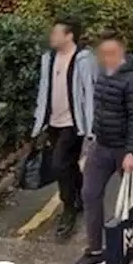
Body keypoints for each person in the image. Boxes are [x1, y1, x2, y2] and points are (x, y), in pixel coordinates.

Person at [65, 30, 133, 264]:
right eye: (104, 53)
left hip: (125, 148)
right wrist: (89, 144)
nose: (108, 58)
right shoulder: (102, 72)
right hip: (101, 146)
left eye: (113, 53)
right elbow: (98, 110)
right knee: (90, 193)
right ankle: (94, 252)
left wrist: (132, 152)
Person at [30, 17, 97, 243]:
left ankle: (68, 209)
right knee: (67, 166)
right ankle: (79, 197)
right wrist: (38, 123)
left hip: (73, 124)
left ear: (69, 36)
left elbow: (90, 92)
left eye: (56, 32)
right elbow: (44, 91)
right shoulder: (48, 59)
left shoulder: (83, 60)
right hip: (52, 123)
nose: (52, 36)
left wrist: (91, 127)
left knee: (59, 165)